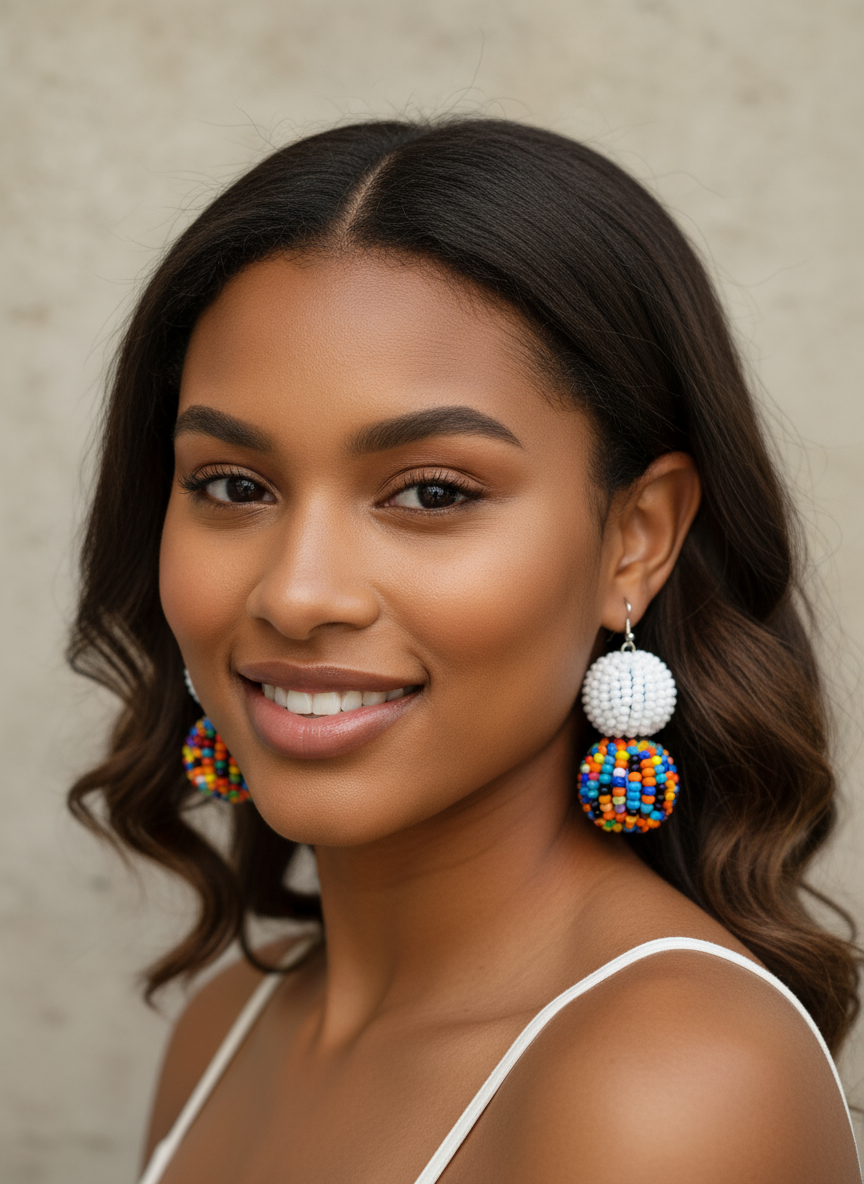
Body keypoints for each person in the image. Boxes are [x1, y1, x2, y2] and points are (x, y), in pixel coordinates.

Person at [68, 117, 862, 1183]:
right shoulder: (226, 1027)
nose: (298, 593)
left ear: (637, 536)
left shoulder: (672, 1083)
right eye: (232, 485)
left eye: (431, 493)